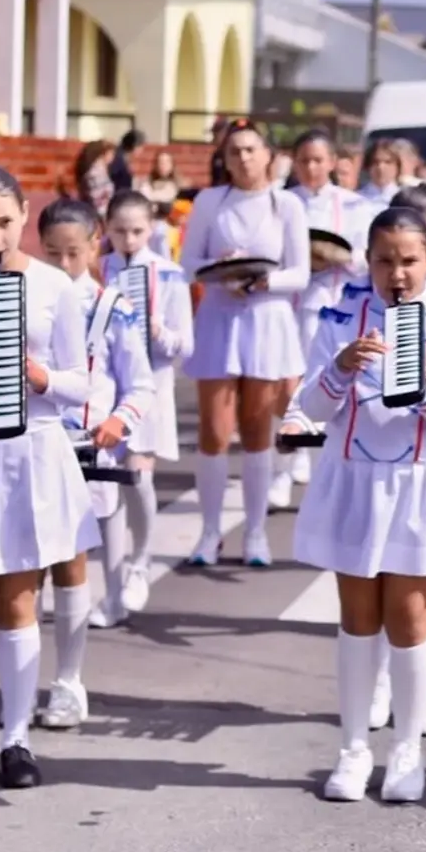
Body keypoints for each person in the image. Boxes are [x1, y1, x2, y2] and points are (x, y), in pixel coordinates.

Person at [293, 207, 426, 804]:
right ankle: (352, 750)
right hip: (354, 481)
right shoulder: (341, 317)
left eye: (410, 261)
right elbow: (309, 410)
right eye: (385, 260)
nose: (397, 273)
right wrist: (340, 368)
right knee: (356, 617)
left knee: (411, 619)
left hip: (420, 483)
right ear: (368, 262)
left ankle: (407, 750)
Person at [0, 168, 98, 787]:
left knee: (18, 599)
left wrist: (41, 377)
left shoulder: (54, 286)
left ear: (24, 215)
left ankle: (17, 739)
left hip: (31, 451)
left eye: (4, 221)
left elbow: (82, 383)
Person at [35, 197, 155, 723]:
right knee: (20, 577)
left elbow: (141, 385)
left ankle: (68, 682)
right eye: (53, 253)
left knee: (70, 570)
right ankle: (17, 683)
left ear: (95, 245)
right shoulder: (26, 299)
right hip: (31, 449)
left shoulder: (112, 307)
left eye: (74, 253)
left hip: (87, 453)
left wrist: (118, 423)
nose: (63, 264)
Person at [179, 119, 310, 566]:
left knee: (257, 431)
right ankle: (210, 531)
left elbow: (300, 272)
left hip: (266, 318)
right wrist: (220, 270)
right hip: (219, 315)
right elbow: (188, 263)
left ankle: (255, 532)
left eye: (251, 149)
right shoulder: (209, 201)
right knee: (215, 431)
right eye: (234, 151)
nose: (243, 158)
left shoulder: (286, 204)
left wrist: (262, 281)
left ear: (268, 155)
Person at [99, 191, 194, 615]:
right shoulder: (101, 268)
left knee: (138, 478)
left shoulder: (170, 274)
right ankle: (114, 588)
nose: (129, 238)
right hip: (106, 387)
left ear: (152, 228)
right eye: (119, 230)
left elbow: (184, 346)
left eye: (137, 230)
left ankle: (141, 561)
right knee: (108, 486)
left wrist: (159, 331)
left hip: (150, 386)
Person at [270, 129, 371, 512]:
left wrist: (338, 257)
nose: (311, 168)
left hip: (334, 305)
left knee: (328, 385)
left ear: (332, 162)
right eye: (304, 161)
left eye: (318, 160)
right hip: (287, 306)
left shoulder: (355, 205)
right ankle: (282, 466)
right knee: (285, 385)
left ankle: (320, 470)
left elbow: (365, 257)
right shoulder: (280, 202)